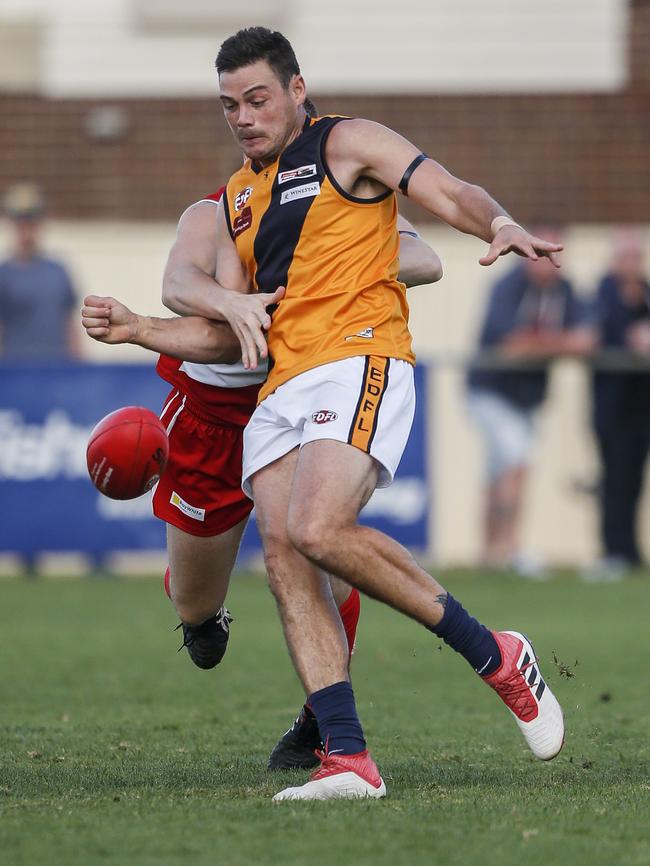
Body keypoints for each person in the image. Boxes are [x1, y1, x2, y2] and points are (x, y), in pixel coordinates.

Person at [83, 26, 566, 801]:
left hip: (361, 357)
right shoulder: (237, 200)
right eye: (229, 105)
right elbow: (224, 325)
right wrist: (138, 328)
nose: (243, 116)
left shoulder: (350, 143)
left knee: (315, 529)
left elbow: (445, 190)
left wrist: (498, 222)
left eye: (258, 98)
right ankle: (348, 758)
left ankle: (497, 655)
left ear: (297, 90)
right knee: (285, 559)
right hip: (281, 384)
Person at [90, 181, 442, 769]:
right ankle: (204, 616)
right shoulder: (217, 210)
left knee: (320, 550)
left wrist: (328, 263)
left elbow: (426, 259)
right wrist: (230, 301)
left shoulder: (344, 201)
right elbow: (181, 289)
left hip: (302, 398)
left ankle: (322, 716)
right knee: (192, 603)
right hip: (212, 420)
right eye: (238, 107)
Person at [466, 225, 595, 575]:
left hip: (528, 398)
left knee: (500, 471)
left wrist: (540, 344)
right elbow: (511, 344)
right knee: (515, 462)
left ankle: (490, 554)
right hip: (490, 392)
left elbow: (587, 339)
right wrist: (558, 343)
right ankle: (510, 549)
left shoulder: (565, 290)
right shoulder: (507, 287)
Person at [587, 228, 650, 580]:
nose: (632, 264)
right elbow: (595, 336)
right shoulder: (603, 293)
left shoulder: (646, 293)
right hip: (611, 405)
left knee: (636, 479)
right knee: (613, 478)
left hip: (641, 406)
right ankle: (612, 550)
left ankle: (631, 551)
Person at [0, 183, 80, 360]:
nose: (27, 228)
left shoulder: (58, 271)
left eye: (31, 220)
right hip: (16, 371)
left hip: (57, 369)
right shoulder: (4, 275)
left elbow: (70, 325)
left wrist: (79, 365)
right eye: (21, 221)